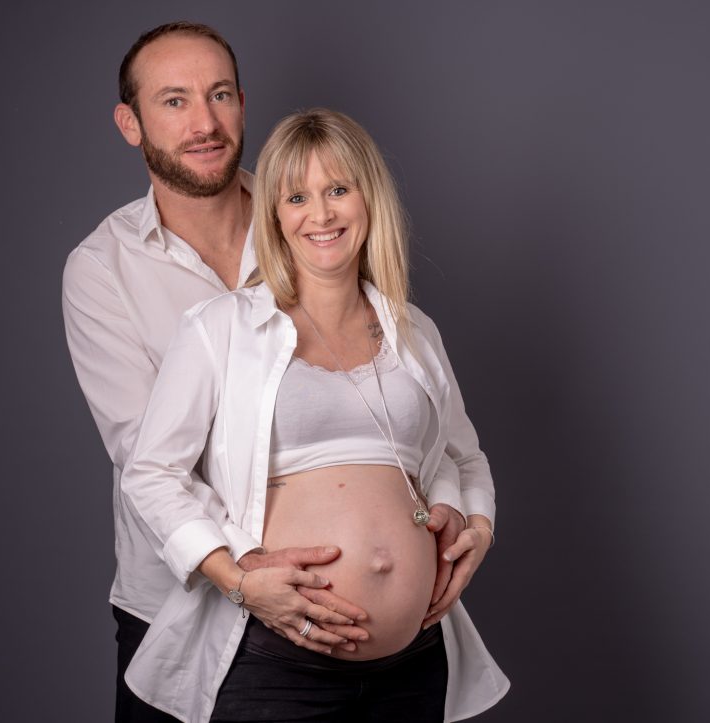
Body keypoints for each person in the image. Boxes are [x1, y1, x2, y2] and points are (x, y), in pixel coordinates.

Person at [63, 22, 491, 721]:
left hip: (406, 657)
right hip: (188, 601)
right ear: (130, 122)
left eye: (220, 94)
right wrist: (240, 577)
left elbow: (428, 439)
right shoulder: (108, 273)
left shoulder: (308, 223)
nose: (204, 121)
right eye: (174, 101)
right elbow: (152, 455)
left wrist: (446, 516)